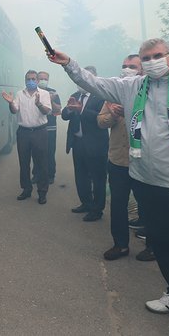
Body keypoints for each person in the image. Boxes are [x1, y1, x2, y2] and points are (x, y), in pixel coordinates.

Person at [49, 38, 169, 336]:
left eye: (156, 56)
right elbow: (94, 82)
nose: (151, 62)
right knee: (160, 242)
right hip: (147, 181)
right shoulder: (132, 87)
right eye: (145, 57)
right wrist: (68, 63)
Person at [99, 54, 154, 261]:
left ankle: (153, 246)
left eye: (132, 66)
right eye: (124, 65)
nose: (127, 69)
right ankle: (120, 245)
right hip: (118, 160)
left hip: (143, 161)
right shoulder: (115, 92)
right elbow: (101, 122)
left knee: (148, 206)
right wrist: (113, 115)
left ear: (141, 70)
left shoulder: (151, 90)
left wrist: (131, 113)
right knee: (118, 205)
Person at [62, 66, 109, 222]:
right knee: (80, 176)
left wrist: (82, 110)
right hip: (78, 143)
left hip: (96, 145)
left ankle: (97, 209)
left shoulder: (101, 96)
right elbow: (64, 115)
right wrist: (69, 109)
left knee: (98, 178)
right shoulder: (75, 95)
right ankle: (86, 203)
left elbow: (102, 119)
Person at [2, 70, 53, 204]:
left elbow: (47, 111)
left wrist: (39, 104)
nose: (30, 81)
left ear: (37, 81)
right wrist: (10, 103)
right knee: (23, 163)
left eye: (33, 79)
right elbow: (14, 111)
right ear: (25, 81)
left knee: (41, 163)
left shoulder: (44, 94)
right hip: (23, 133)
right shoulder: (20, 94)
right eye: (28, 79)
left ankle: (42, 192)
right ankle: (26, 189)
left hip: (39, 132)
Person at [36, 71, 62, 185]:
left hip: (50, 127)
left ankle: (51, 175)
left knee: (50, 152)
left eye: (45, 79)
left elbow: (58, 110)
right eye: (41, 78)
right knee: (36, 152)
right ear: (37, 80)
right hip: (36, 127)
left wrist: (50, 99)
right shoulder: (33, 92)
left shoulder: (54, 92)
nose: (43, 81)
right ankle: (36, 175)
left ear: (48, 80)